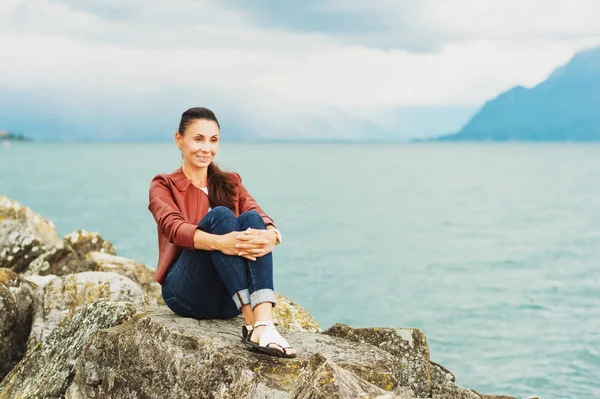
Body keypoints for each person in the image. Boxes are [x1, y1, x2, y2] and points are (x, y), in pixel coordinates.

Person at [148, 107, 296, 358]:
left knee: (250, 219)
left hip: (230, 300)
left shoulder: (230, 182)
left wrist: (273, 235)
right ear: (179, 140)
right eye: (198, 139)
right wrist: (220, 243)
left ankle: (264, 323)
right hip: (186, 293)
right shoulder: (164, 184)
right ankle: (255, 323)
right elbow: (173, 228)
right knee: (222, 216)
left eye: (213, 140)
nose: (206, 148)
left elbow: (257, 213)